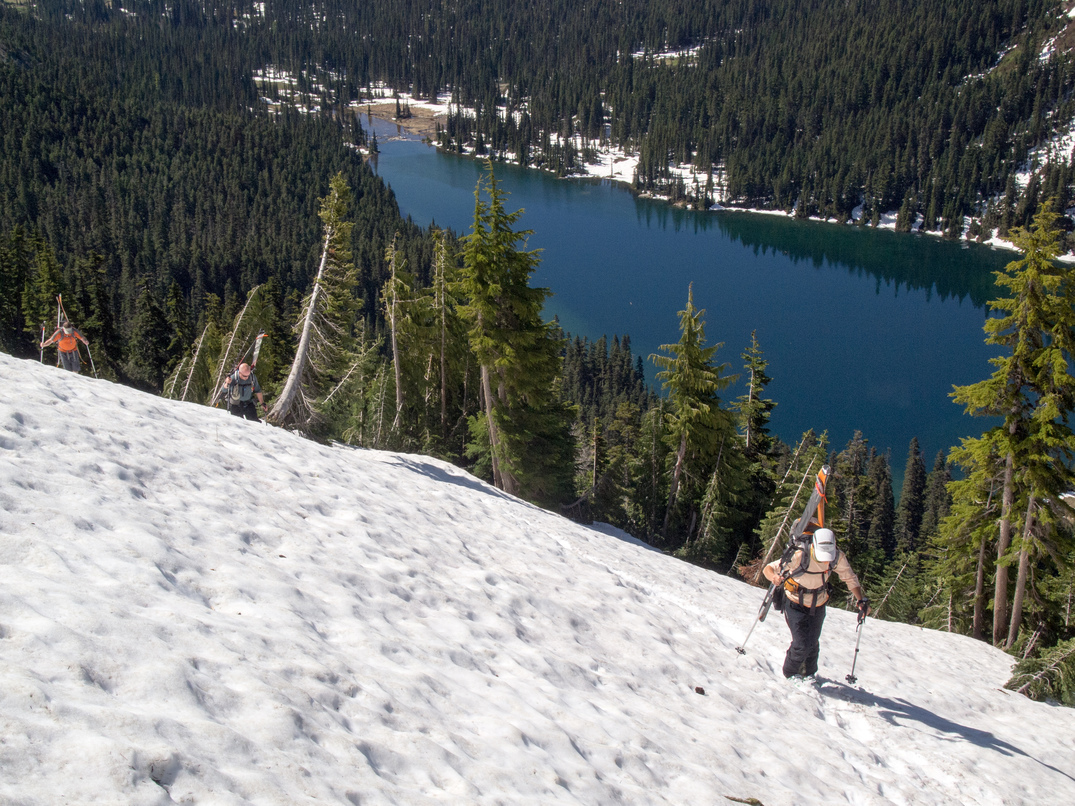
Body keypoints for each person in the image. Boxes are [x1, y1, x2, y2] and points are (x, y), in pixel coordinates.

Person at [763, 527, 870, 679]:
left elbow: (850, 578)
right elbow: (768, 568)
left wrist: (860, 600)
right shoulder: (798, 555)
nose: (826, 560)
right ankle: (790, 673)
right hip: (794, 602)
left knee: (812, 642)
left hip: (818, 603)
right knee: (801, 644)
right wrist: (774, 577)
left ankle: (809, 674)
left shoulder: (836, 557)